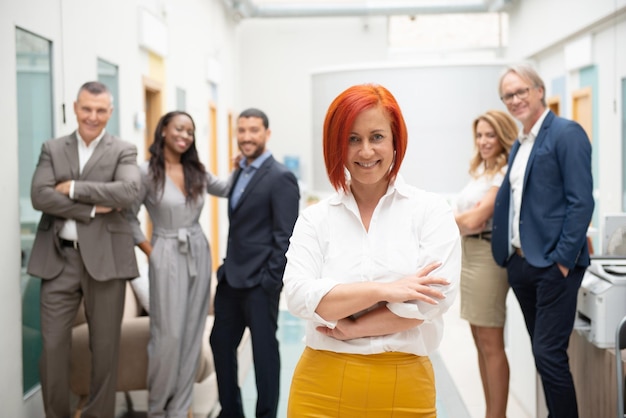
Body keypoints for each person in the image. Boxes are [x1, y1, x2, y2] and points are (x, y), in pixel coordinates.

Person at [282, 84, 461, 418]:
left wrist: (353, 325)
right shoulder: (315, 218)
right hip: (319, 387)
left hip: (404, 386)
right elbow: (298, 296)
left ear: (395, 140)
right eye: (352, 138)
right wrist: (386, 291)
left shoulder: (429, 211)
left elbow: (432, 299)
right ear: (337, 144)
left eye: (377, 136)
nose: (365, 151)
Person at [27, 81, 141, 417]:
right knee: (51, 349)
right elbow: (39, 196)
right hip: (58, 259)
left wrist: (73, 188)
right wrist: (91, 209)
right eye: (86, 108)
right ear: (75, 107)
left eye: (100, 110)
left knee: (105, 349)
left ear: (110, 112)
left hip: (107, 261)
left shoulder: (123, 149)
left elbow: (128, 191)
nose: (92, 116)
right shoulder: (52, 148)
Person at [491, 64, 594, 418]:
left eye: (521, 91)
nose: (515, 100)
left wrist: (563, 260)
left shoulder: (566, 133)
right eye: (509, 95)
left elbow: (581, 201)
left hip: (554, 265)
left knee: (548, 354)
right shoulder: (520, 144)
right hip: (521, 264)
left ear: (539, 90)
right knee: (543, 355)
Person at [126, 110, 232, 417]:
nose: (184, 136)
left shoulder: (196, 170)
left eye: (190, 131)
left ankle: (180, 408)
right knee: (167, 336)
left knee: (191, 332)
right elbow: (127, 217)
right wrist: (151, 251)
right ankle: (157, 409)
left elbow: (226, 189)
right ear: (163, 131)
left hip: (198, 249)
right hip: (166, 251)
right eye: (179, 129)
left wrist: (247, 167)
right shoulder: (145, 172)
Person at [209, 108, 300, 418]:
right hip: (231, 279)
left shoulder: (280, 177)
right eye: (242, 130)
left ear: (267, 134)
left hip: (260, 283)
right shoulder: (240, 172)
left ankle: (265, 414)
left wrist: (271, 281)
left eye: (254, 130)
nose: (246, 137)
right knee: (220, 343)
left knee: (264, 355)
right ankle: (231, 412)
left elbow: (285, 235)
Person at [454, 110, 517, 418]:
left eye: (490, 135)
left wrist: (450, 221)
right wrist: (461, 221)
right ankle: (491, 413)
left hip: (487, 257)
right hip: (470, 254)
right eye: (479, 135)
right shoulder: (481, 172)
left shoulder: (503, 172)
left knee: (491, 341)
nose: (483, 141)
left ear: (502, 136)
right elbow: (466, 220)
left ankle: (497, 415)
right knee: (479, 339)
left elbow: (477, 219)